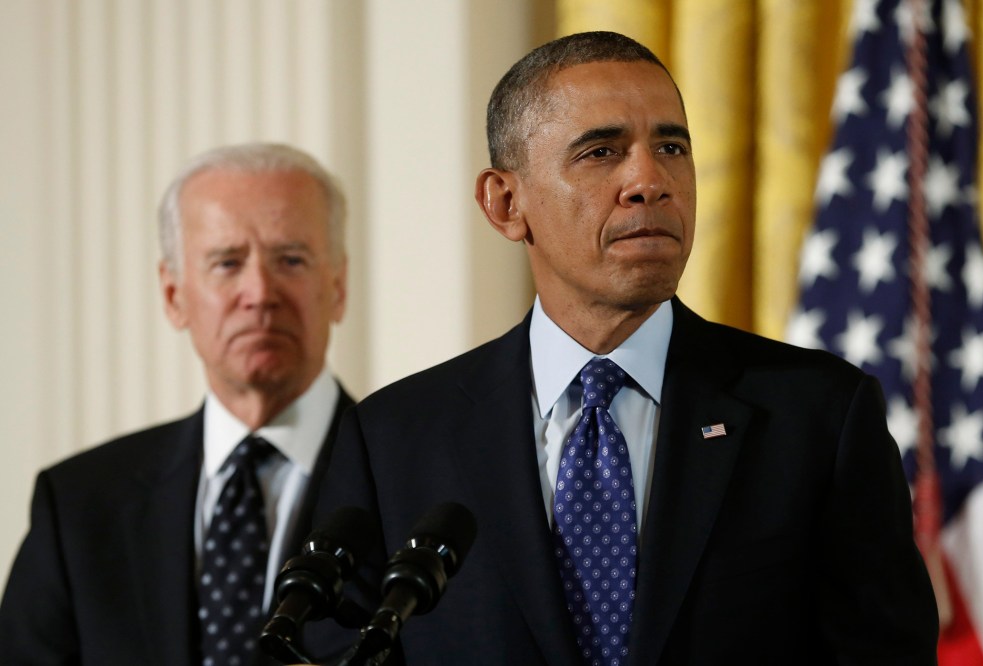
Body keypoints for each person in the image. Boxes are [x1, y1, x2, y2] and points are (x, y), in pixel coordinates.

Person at [315, 32, 939, 664]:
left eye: (671, 147)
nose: (649, 180)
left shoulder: (819, 416)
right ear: (505, 203)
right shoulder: (393, 440)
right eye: (601, 152)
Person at [0, 142, 355, 665]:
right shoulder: (79, 506)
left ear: (338, 287)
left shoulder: (408, 482)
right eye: (227, 262)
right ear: (173, 296)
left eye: (291, 260)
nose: (259, 292)